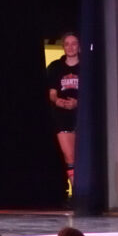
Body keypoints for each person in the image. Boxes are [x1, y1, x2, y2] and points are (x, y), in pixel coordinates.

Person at [47, 33, 80, 187]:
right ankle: (77, 191)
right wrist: (57, 101)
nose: (70, 47)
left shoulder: (87, 67)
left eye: (74, 43)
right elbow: (52, 92)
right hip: (62, 116)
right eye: (67, 44)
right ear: (63, 47)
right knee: (69, 156)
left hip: (82, 116)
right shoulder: (55, 67)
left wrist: (78, 103)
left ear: (79, 46)